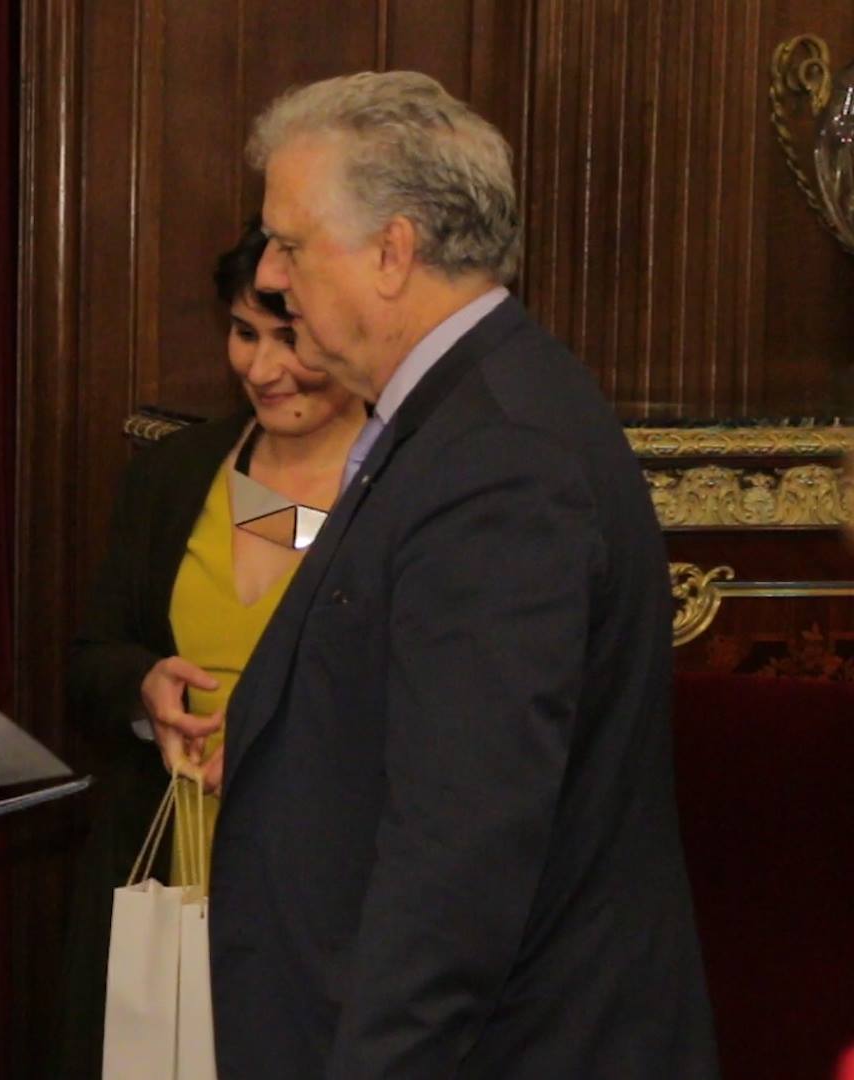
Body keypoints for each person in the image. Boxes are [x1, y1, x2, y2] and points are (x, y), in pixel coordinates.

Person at [207, 71, 718, 1076]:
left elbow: (461, 851)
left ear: (392, 252)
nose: (269, 274)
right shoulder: (463, 416)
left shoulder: (499, 457)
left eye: (290, 244)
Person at [56, 219, 366, 1075]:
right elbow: (92, 657)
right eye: (243, 333)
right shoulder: (175, 476)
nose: (261, 369)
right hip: (170, 869)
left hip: (325, 897)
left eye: (289, 339)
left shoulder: (402, 492)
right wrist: (144, 688)